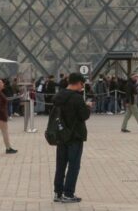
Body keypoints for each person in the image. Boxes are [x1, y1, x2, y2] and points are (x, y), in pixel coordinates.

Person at [51, 72, 92, 203]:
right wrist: (88, 106)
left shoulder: (59, 96)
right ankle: (68, 193)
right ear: (79, 83)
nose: (82, 87)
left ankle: (58, 193)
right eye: (82, 84)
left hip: (61, 134)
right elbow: (84, 116)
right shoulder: (77, 98)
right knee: (73, 165)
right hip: (75, 135)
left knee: (60, 164)